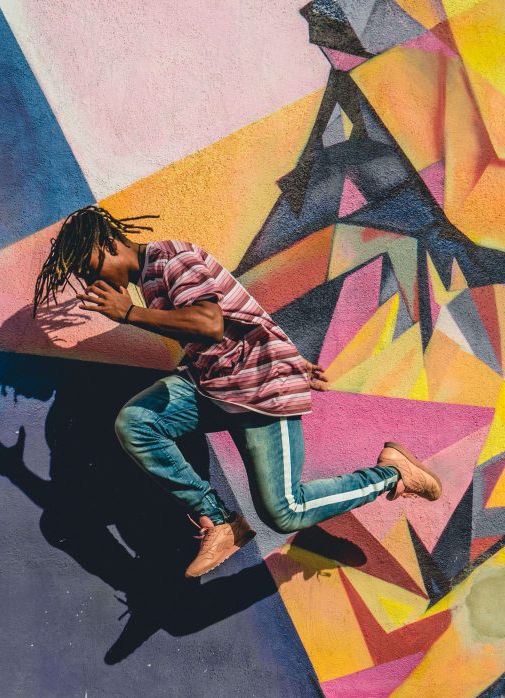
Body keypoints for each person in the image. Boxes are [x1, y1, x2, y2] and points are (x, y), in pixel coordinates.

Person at [33, 205, 442, 578]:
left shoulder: (172, 261)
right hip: (217, 386)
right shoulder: (151, 276)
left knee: (284, 512)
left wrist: (129, 313)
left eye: (88, 267)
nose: (91, 281)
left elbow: (210, 323)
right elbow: (239, 310)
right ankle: (221, 522)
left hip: (260, 391)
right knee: (137, 422)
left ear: (107, 242)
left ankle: (392, 474)